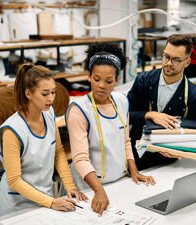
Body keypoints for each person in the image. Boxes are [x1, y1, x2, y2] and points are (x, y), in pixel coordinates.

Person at [65, 42, 156, 216]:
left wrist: (134, 171)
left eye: (108, 81)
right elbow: (80, 159)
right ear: (89, 77)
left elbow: (126, 140)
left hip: (118, 183)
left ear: (116, 81)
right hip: (89, 188)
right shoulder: (79, 110)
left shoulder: (121, 101)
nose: (101, 85)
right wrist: (98, 191)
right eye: (97, 79)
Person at [0, 63, 87, 217]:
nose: (51, 98)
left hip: (45, 197)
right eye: (45, 94)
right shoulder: (13, 130)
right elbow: (14, 181)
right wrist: (51, 202)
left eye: (53, 92)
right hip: (17, 203)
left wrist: (70, 186)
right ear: (28, 93)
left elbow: (58, 152)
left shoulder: (49, 113)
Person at [127, 34, 196, 170]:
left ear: (187, 62)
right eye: (166, 56)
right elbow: (126, 115)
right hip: (135, 156)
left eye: (176, 60)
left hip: (169, 160)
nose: (169, 63)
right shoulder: (143, 80)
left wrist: (182, 152)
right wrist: (150, 115)